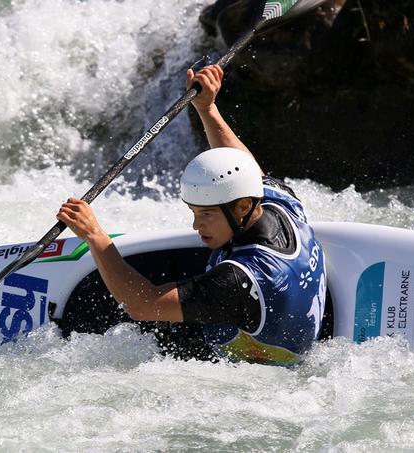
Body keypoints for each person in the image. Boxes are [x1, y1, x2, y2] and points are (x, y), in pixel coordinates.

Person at [57, 64, 326, 365]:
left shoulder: (239, 280)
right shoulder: (278, 201)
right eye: (194, 212)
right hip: (278, 313)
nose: (196, 224)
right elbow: (243, 165)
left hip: (255, 370)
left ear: (241, 206)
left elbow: (142, 305)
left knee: (118, 313)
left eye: (207, 214)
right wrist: (207, 108)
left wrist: (95, 236)